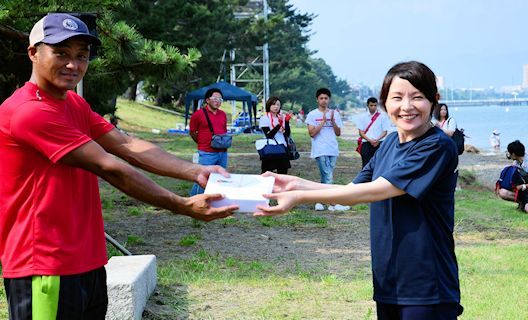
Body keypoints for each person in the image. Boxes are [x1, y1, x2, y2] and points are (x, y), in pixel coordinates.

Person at [0, 13, 238, 319]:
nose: (73, 64)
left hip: (89, 261)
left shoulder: (73, 103)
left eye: (81, 56)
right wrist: (181, 205)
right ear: (33, 52)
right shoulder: (28, 112)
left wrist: (195, 172)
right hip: (45, 268)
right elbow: (110, 166)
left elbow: (125, 144)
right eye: (60, 53)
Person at [257, 61, 463, 320]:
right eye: (397, 97)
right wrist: (294, 183)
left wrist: (299, 197)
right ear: (385, 102)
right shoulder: (389, 144)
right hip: (389, 280)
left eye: (417, 97)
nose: (407, 106)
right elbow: (351, 190)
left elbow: (376, 191)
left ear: (434, 100)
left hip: (426, 285)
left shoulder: (437, 146)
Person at [305, 88, 350, 211]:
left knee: (325, 176)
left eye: (326, 98)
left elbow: (338, 133)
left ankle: (319, 202)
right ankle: (333, 203)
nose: (324, 101)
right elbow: (312, 133)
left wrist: (333, 121)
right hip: (320, 149)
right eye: (321, 98)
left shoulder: (334, 113)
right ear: (317, 100)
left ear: (329, 99)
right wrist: (323, 122)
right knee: (328, 175)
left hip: (332, 148)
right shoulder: (312, 114)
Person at [189, 88, 229, 195]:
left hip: (222, 152)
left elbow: (223, 131)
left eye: (220, 99)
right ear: (207, 100)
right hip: (207, 152)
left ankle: (214, 199)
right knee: (203, 177)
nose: (218, 101)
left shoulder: (223, 114)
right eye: (215, 98)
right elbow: (192, 132)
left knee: (220, 177)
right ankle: (194, 199)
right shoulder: (198, 114)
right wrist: (202, 143)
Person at [259, 96, 292, 174]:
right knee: (267, 173)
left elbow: (287, 134)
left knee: (283, 173)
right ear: (269, 105)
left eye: (278, 105)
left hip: (282, 147)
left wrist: (286, 122)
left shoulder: (281, 117)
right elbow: (269, 135)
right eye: (273, 104)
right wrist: (278, 124)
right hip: (270, 148)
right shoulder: (265, 118)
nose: (276, 107)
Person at [357, 97, 390, 167]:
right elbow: (360, 132)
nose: (373, 107)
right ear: (367, 105)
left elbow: (385, 131)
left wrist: (377, 140)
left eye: (375, 105)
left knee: (379, 165)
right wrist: (370, 140)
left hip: (379, 143)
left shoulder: (383, 116)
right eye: (371, 105)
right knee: (366, 165)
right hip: (366, 143)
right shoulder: (362, 117)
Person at [496, 140, 528, 212]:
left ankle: (525, 205)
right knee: (502, 192)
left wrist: (523, 186)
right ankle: (522, 203)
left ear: (513, 154)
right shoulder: (516, 163)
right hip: (524, 191)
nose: (508, 154)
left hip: (525, 188)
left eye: (509, 152)